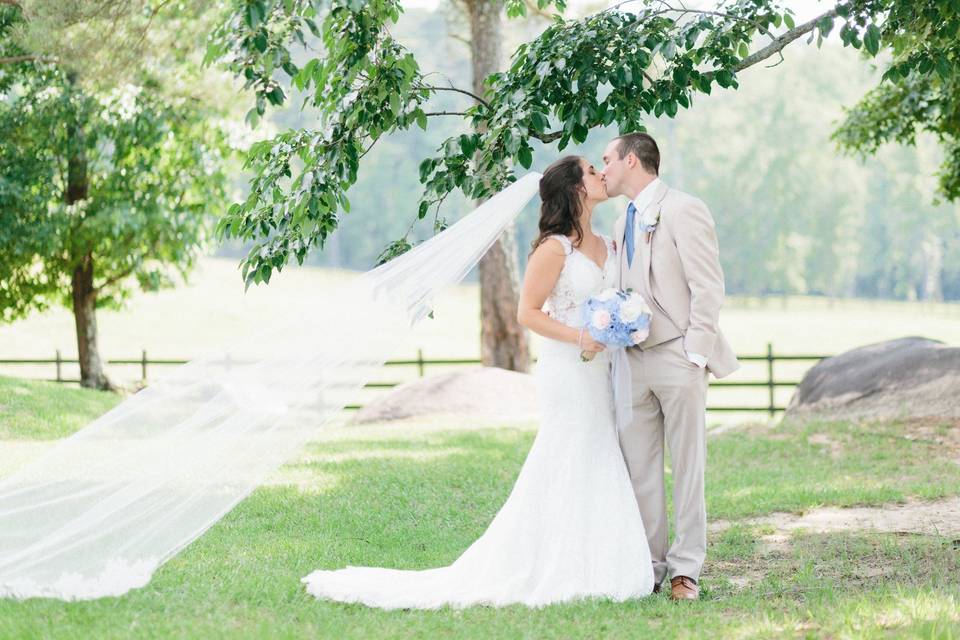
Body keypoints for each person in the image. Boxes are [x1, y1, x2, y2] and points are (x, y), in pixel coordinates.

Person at [300, 155, 655, 609]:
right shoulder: (554, 249)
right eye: (590, 170)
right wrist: (580, 336)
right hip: (569, 370)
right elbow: (528, 313)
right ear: (575, 190)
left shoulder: (607, 242)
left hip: (603, 370)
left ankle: (598, 557)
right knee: (572, 451)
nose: (600, 173)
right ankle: (556, 563)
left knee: (598, 450)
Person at [601, 132, 739, 601]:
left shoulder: (684, 209)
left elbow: (708, 285)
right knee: (640, 469)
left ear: (633, 160)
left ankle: (686, 570)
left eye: (608, 159)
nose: (603, 169)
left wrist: (695, 352)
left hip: (678, 356)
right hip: (632, 360)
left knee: (687, 467)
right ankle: (650, 567)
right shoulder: (622, 221)